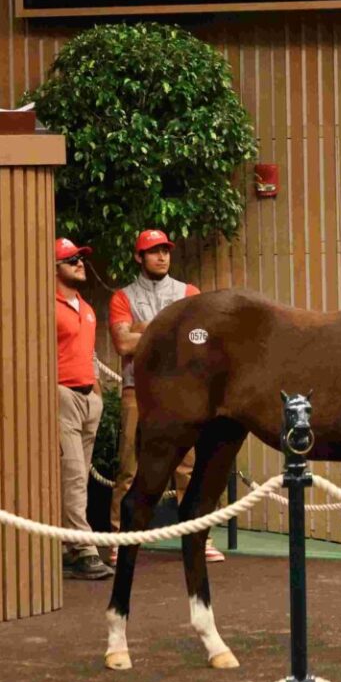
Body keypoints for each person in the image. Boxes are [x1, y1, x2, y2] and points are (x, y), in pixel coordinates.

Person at [108, 229, 224, 564]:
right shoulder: (122, 297)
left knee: (189, 468)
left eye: (165, 250)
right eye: (153, 251)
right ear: (138, 257)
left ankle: (199, 537)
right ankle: (119, 538)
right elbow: (123, 345)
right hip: (137, 391)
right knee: (129, 466)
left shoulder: (189, 293)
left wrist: (145, 328)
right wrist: (171, 332)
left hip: (183, 393)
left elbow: (201, 340)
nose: (162, 256)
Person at [55, 237, 115, 580]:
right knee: (75, 475)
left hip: (88, 399)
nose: (80, 263)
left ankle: (65, 545)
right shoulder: (44, 305)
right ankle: (83, 548)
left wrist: (97, 394)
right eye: (71, 259)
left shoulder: (89, 309)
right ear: (54, 269)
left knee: (75, 476)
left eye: (80, 258)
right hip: (61, 396)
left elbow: (89, 355)